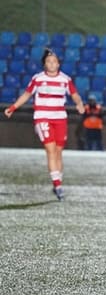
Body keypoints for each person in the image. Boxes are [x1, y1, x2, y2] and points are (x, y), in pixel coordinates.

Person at [4, 48, 85, 201]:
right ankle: (58, 186)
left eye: (54, 61)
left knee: (59, 151)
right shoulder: (38, 79)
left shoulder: (65, 80)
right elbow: (27, 94)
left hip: (60, 118)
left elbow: (74, 95)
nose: (52, 64)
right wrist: (13, 107)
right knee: (50, 149)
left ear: (58, 64)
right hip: (42, 117)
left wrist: (79, 103)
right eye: (49, 62)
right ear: (44, 64)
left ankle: (57, 183)